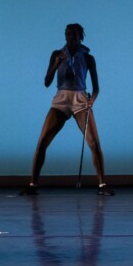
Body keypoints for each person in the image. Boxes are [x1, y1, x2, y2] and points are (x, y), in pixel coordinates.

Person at [20, 24, 113, 196]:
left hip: (80, 99)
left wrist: (92, 99)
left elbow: (96, 88)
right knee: (42, 142)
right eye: (67, 35)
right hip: (61, 99)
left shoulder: (88, 58)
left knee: (94, 142)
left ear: (80, 37)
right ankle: (33, 185)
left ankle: (102, 185)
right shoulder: (57, 54)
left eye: (74, 35)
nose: (70, 38)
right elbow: (47, 82)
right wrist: (56, 64)